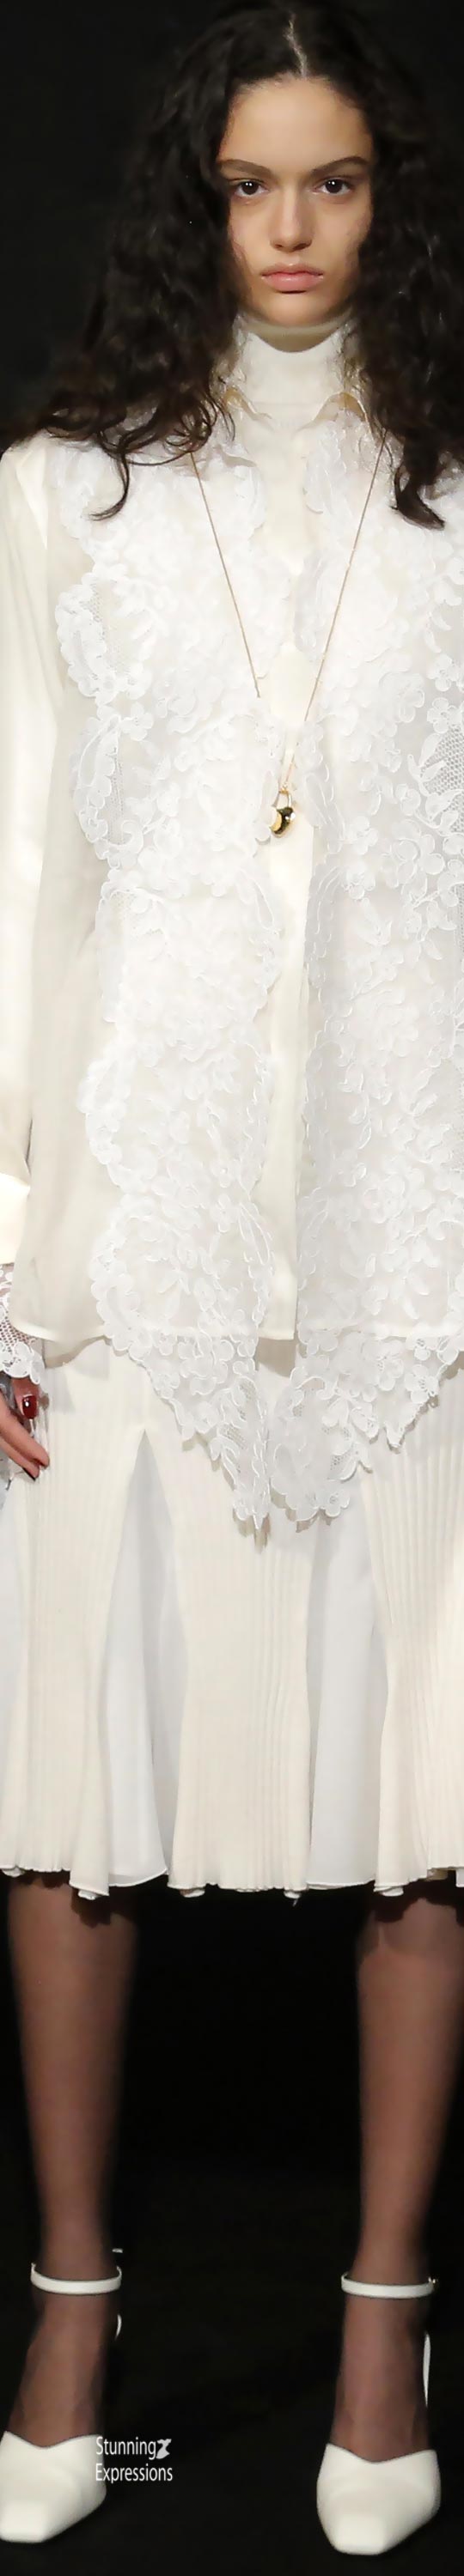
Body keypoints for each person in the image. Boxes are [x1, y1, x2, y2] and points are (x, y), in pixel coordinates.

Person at [1, 0, 464, 2548]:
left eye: (340, 180)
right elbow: (15, 880)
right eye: (253, 184)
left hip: (414, 1232)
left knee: (428, 1807)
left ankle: (384, 2323)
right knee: (69, 1799)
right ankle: (75, 2296)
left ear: (391, 198)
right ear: (197, 203)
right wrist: (3, 1265)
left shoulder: (453, 494)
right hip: (134, 1231)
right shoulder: (63, 496)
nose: (295, 229)